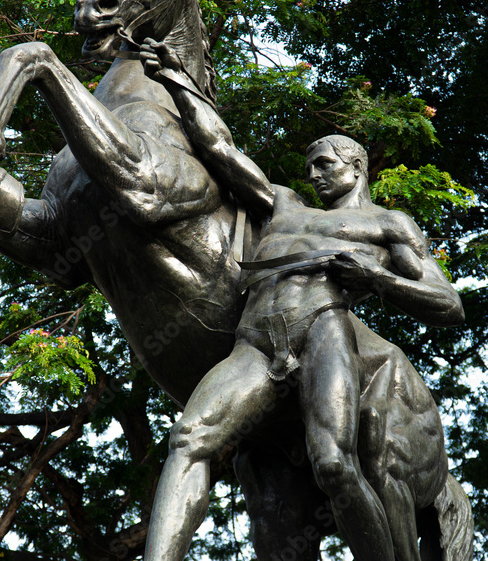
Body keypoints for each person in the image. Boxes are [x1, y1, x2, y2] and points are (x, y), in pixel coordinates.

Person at [139, 40, 465, 561]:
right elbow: (221, 149)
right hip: (256, 339)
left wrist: (377, 279)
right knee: (188, 438)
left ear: (356, 166)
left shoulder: (387, 224)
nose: (312, 174)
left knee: (334, 464)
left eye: (324, 165)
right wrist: (176, 79)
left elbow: (449, 304)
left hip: (322, 329)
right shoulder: (284, 205)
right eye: (310, 166)